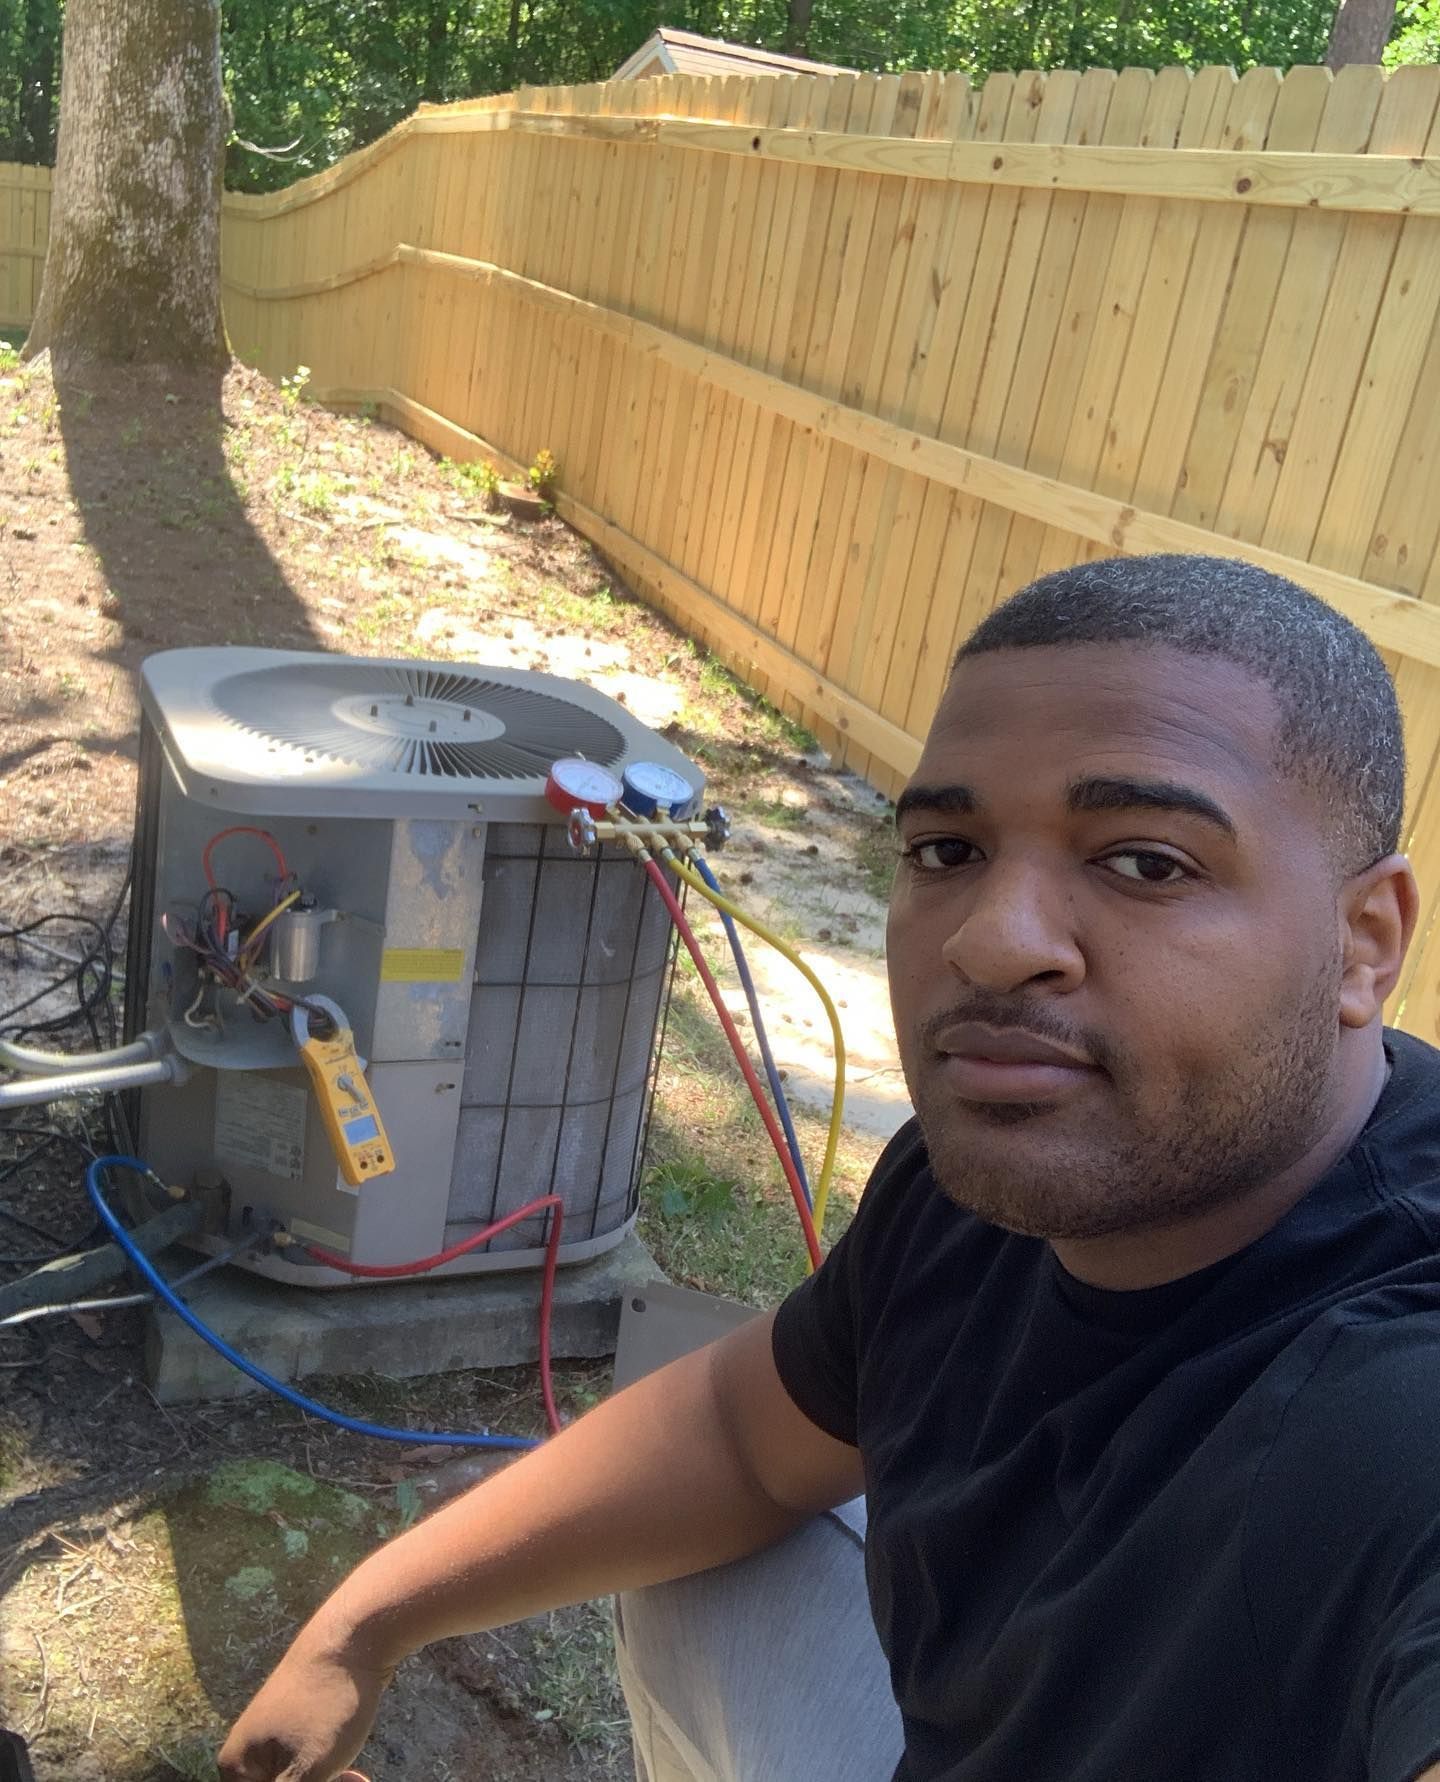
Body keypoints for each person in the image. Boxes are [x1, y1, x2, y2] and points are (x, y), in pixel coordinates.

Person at [219, 552, 1440, 1782]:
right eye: (949, 850)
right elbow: (740, 1434)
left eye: (1145, 862)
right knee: (707, 1555)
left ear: (1364, 941)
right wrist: (361, 1626)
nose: (992, 941)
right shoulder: (983, 1183)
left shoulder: (1392, 1403)